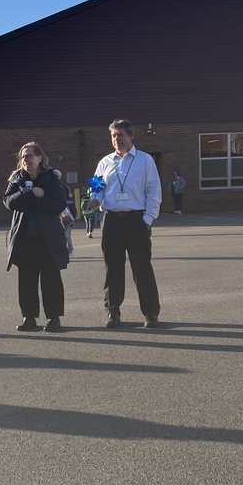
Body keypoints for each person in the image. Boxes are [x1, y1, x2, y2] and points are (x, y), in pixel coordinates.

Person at [89, 119, 162, 328]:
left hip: (136, 220)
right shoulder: (104, 162)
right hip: (111, 220)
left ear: (131, 136)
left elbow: (153, 192)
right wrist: (95, 198)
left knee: (142, 268)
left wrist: (147, 220)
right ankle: (113, 311)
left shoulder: (145, 161)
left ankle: (150, 313)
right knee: (113, 268)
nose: (116, 139)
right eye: (113, 136)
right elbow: (96, 187)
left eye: (120, 135)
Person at [3, 142, 70, 332]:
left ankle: (54, 317)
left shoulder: (50, 179)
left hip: (47, 238)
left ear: (40, 158)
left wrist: (38, 200)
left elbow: (58, 204)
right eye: (23, 156)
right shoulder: (17, 179)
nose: (26, 159)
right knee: (26, 280)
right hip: (25, 239)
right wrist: (29, 192)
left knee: (51, 279)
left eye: (30, 156)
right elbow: (8, 201)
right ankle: (29, 317)